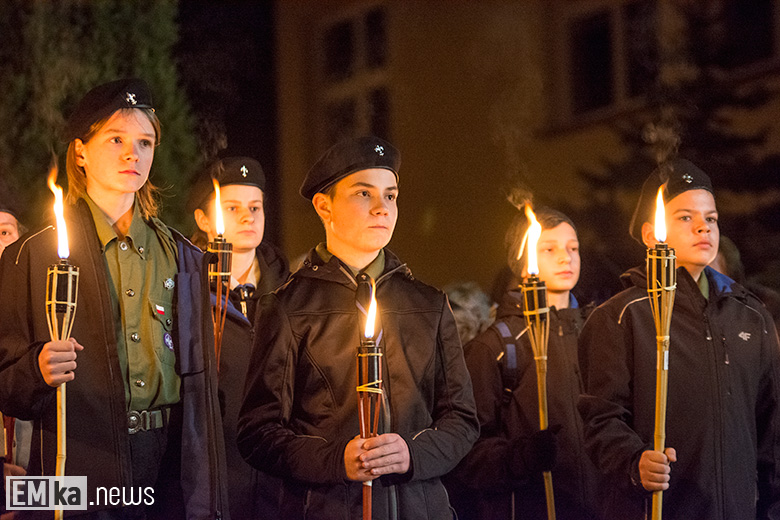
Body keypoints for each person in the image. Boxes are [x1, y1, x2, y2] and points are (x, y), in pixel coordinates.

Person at [0, 78, 228, 519]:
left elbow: (201, 390)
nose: (133, 154)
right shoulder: (32, 255)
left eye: (145, 142)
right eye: (116, 139)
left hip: (166, 474)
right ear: (81, 151)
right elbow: (7, 383)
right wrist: (36, 369)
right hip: (79, 471)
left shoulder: (183, 257)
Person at [237, 136, 479, 520]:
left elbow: (462, 420)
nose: (382, 208)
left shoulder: (428, 305)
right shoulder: (289, 308)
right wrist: (336, 460)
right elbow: (258, 433)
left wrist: (413, 454)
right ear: (323, 205)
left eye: (391, 195)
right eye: (363, 194)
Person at [578, 158, 780, 519]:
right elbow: (600, 418)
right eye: (686, 217)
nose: (703, 227)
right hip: (657, 509)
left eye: (711, 218)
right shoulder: (622, 316)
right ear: (651, 233)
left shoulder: (752, 316)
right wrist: (633, 460)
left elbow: (771, 430)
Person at [445, 207, 601, 520]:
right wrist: (519, 458)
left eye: (573, 248)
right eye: (549, 249)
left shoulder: (598, 334)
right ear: (524, 258)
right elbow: (464, 451)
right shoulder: (497, 346)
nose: (565, 258)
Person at [188, 156, 289, 520]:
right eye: (232, 208)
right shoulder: (186, 288)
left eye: (255, 207)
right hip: (214, 475)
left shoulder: (290, 288)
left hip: (277, 479)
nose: (248, 217)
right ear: (203, 219)